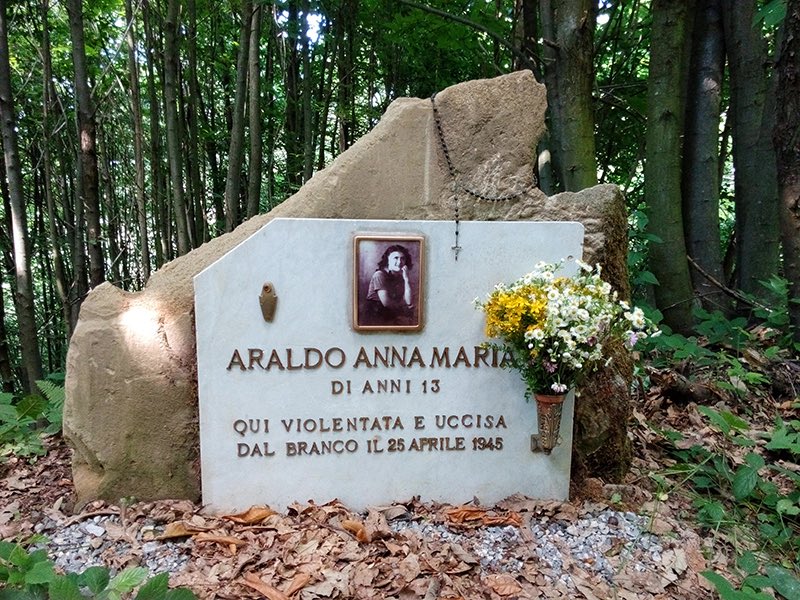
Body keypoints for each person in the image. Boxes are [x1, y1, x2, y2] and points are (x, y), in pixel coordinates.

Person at [363, 244, 415, 325]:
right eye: (396, 258)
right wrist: (404, 310)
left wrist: (406, 279)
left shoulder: (401, 277)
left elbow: (408, 301)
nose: (399, 262)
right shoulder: (379, 274)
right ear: (388, 260)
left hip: (390, 313)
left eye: (403, 258)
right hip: (375, 314)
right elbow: (386, 303)